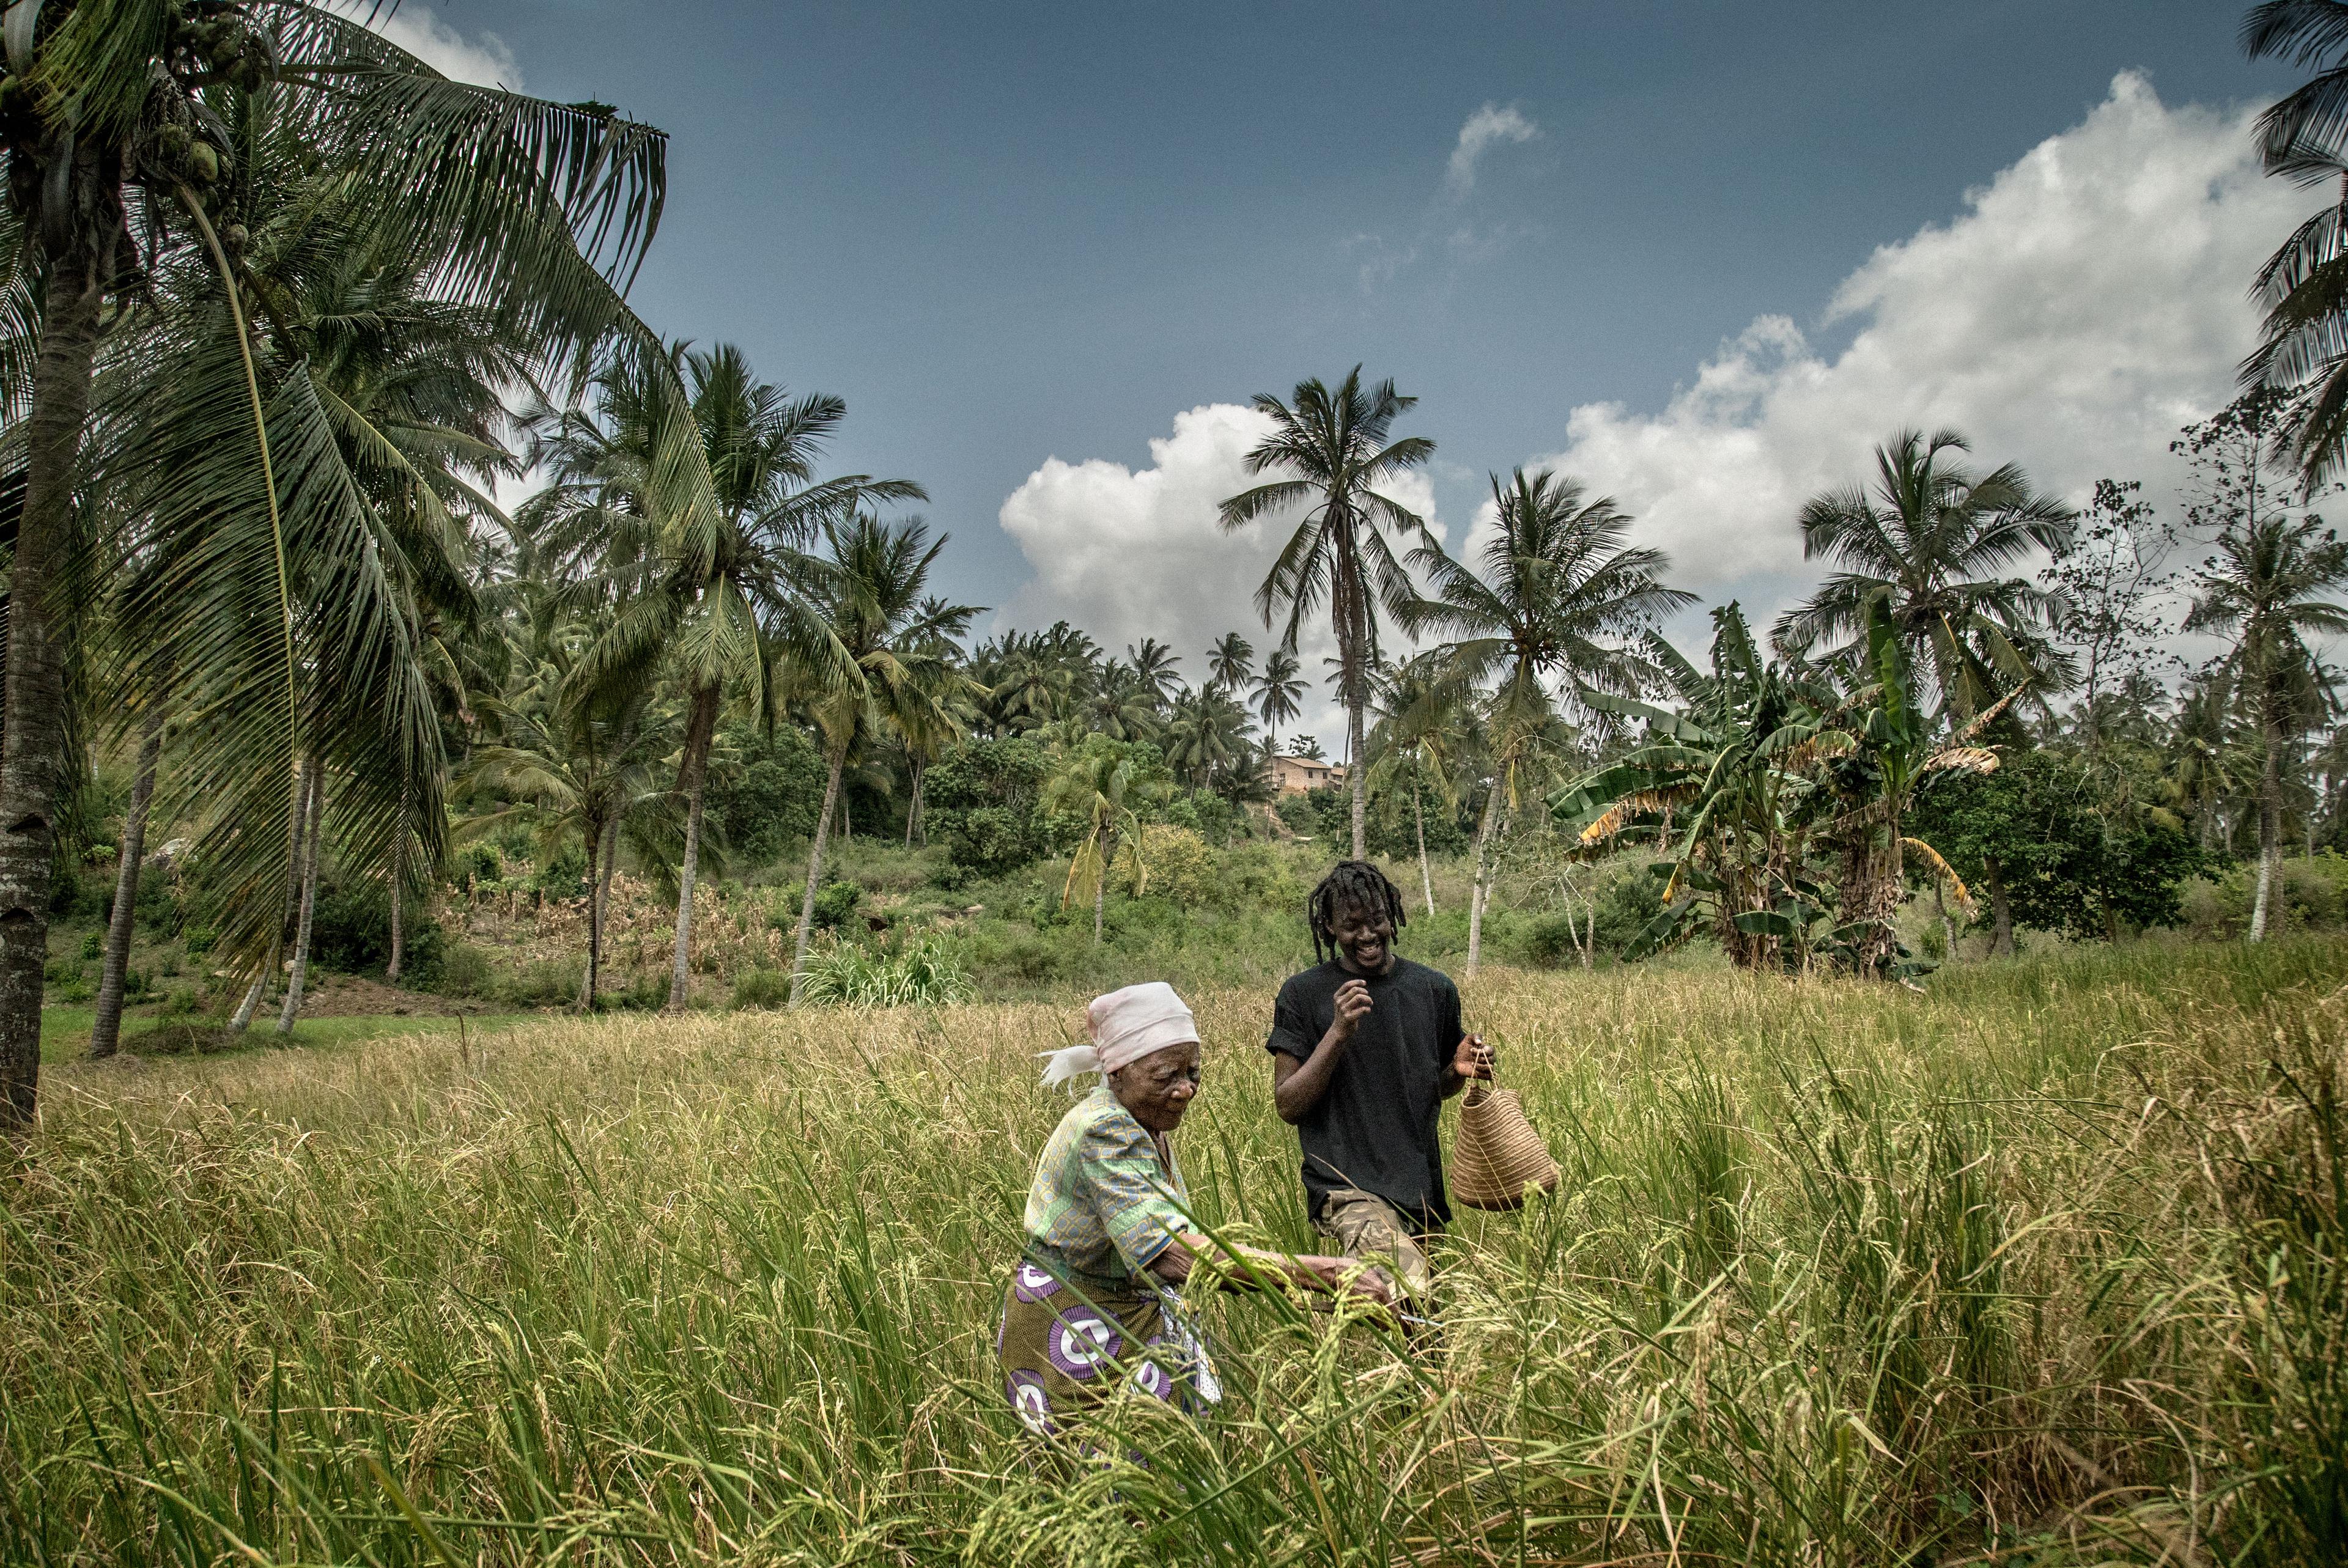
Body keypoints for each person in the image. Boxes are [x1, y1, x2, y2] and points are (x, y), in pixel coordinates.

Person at [999, 981, 1387, 1438]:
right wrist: (1326, 1275)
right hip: (1077, 1325)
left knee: (1166, 1474)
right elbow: (1170, 1254)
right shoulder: (1106, 1130)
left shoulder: (1144, 1121)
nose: (1185, 1090)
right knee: (1112, 1484)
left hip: (1124, 1310)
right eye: (1166, 1076)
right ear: (1117, 1071)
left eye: (1193, 1073)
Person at [1266, 861, 1491, 1309]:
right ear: (1329, 926)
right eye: (1351, 925)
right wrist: (1338, 1033)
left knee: (1430, 1321)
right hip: (1347, 1186)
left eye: (1377, 919)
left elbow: (1434, 1085)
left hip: (1419, 1189)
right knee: (1408, 1298)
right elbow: (1288, 1103)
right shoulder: (1303, 995)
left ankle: (1332, 1315)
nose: (1368, 934)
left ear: (1393, 913)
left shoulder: (1434, 989)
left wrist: (1458, 1069)